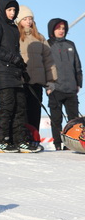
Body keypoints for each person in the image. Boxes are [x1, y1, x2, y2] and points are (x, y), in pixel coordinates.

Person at [0, 0, 40, 153]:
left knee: (20, 107)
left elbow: (15, 51)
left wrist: (22, 67)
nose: (12, 12)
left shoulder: (13, 28)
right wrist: (13, 58)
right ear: (1, 10)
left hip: (15, 73)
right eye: (9, 9)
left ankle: (20, 141)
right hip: (1, 73)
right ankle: (1, 141)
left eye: (14, 10)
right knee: (7, 106)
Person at [15, 6, 58, 131]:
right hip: (21, 81)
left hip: (37, 82)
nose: (28, 21)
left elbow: (48, 60)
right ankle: (22, 139)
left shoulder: (40, 37)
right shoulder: (15, 36)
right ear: (19, 21)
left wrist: (51, 80)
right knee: (21, 112)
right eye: (25, 19)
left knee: (35, 113)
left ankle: (34, 138)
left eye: (31, 19)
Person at [47, 18, 82, 150]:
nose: (61, 31)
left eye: (63, 28)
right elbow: (45, 66)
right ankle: (57, 144)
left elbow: (77, 65)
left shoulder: (71, 44)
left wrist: (78, 83)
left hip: (71, 88)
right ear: (52, 30)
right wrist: (48, 85)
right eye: (58, 28)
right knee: (56, 119)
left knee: (73, 119)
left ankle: (71, 144)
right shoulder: (48, 44)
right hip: (55, 88)